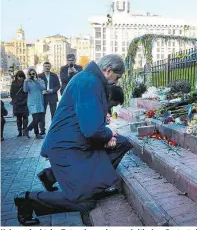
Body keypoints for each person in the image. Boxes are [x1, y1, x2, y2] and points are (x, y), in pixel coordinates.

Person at [14, 55, 132, 226]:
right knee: (84, 202)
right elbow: (91, 130)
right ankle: (27, 200)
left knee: (122, 143)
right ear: (108, 71)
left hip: (77, 143)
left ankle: (59, 176)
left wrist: (106, 130)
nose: (115, 82)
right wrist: (108, 135)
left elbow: (88, 119)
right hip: (66, 147)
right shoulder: (89, 81)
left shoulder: (90, 79)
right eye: (117, 77)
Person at [37, 84, 125, 193]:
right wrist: (109, 134)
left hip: (66, 142)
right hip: (66, 144)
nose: (110, 108)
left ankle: (50, 175)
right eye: (112, 105)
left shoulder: (94, 100)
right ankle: (32, 198)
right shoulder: (90, 102)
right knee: (100, 152)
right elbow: (92, 130)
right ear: (109, 97)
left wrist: (108, 132)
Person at [38, 62, 61, 135]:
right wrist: (42, 91)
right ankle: (42, 130)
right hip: (43, 97)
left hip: (52, 96)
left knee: (53, 113)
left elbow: (58, 86)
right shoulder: (39, 76)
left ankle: (54, 128)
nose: (47, 67)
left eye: (48, 66)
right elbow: (36, 86)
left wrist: (52, 90)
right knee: (42, 114)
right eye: (45, 66)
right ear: (43, 67)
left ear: (50, 67)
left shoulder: (54, 75)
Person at [23, 68, 45, 139]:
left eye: (33, 73)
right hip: (32, 102)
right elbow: (25, 90)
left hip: (40, 102)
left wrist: (36, 81)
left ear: (35, 73)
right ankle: (35, 133)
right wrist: (26, 81)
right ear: (28, 75)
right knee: (36, 118)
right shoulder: (27, 82)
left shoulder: (40, 80)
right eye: (30, 74)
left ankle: (28, 130)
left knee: (39, 119)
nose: (32, 75)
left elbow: (43, 88)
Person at [10, 71, 29, 137]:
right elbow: (12, 94)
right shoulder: (13, 83)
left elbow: (28, 93)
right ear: (17, 76)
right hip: (16, 104)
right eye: (19, 76)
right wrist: (16, 102)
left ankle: (24, 131)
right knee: (18, 118)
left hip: (25, 103)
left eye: (22, 77)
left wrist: (24, 102)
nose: (20, 78)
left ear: (24, 77)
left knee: (25, 118)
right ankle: (19, 131)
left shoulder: (26, 83)